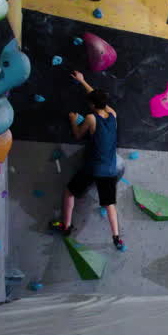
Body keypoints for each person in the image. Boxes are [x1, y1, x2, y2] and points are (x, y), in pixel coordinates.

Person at [50, 70, 125, 251]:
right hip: (110, 169)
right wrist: (83, 81)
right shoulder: (113, 114)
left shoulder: (91, 118)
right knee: (109, 204)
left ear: (91, 104)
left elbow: (78, 134)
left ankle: (66, 226)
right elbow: (96, 98)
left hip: (93, 168)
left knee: (69, 192)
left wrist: (73, 120)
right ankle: (116, 237)